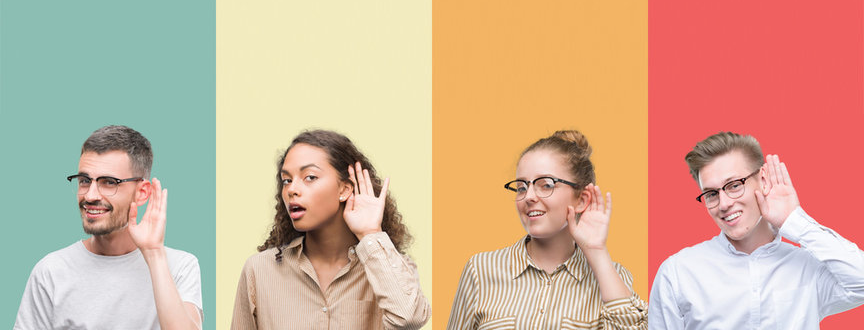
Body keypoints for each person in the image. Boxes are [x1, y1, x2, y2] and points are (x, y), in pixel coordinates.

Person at [648, 132, 864, 329]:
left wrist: (793, 220)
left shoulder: (808, 268)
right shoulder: (678, 272)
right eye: (712, 194)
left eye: (734, 185)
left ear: (762, 180)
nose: (723, 204)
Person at [230, 130, 430, 330]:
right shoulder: (259, 270)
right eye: (286, 180)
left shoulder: (391, 267)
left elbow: (409, 319)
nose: (291, 189)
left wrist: (370, 233)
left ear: (344, 190)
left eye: (309, 177)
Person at [447, 130, 647, 329]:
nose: (529, 196)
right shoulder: (480, 270)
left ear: (582, 199)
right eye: (522, 187)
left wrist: (597, 250)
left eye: (546, 185)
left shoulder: (612, 277)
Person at [14, 125, 203, 330]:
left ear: (142, 193)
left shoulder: (180, 267)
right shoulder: (50, 271)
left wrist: (154, 253)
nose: (90, 195)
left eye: (109, 182)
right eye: (85, 181)